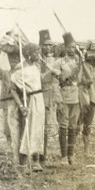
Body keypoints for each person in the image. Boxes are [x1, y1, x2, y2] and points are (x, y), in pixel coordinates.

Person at [10, 43, 46, 172]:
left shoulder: (36, 66)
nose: (39, 55)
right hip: (29, 101)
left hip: (39, 100)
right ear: (29, 54)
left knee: (38, 130)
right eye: (36, 53)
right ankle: (23, 165)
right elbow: (12, 89)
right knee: (27, 131)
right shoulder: (20, 67)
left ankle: (35, 161)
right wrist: (21, 106)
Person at [54, 33, 81, 165]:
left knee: (73, 126)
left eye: (74, 47)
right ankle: (63, 156)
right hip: (64, 97)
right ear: (65, 48)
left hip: (76, 97)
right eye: (69, 47)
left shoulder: (79, 61)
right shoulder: (59, 62)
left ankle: (71, 155)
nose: (72, 49)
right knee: (63, 126)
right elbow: (54, 83)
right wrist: (58, 100)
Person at [39, 29, 60, 162]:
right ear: (41, 46)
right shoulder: (37, 60)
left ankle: (48, 154)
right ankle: (40, 154)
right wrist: (49, 73)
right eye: (45, 45)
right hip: (41, 95)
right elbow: (37, 78)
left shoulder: (54, 60)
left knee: (51, 125)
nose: (48, 47)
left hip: (53, 95)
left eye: (50, 45)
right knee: (42, 126)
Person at [78, 56, 95, 153]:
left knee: (88, 126)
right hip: (83, 99)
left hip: (92, 100)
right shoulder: (82, 66)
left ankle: (86, 150)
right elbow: (80, 82)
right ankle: (71, 150)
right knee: (77, 125)